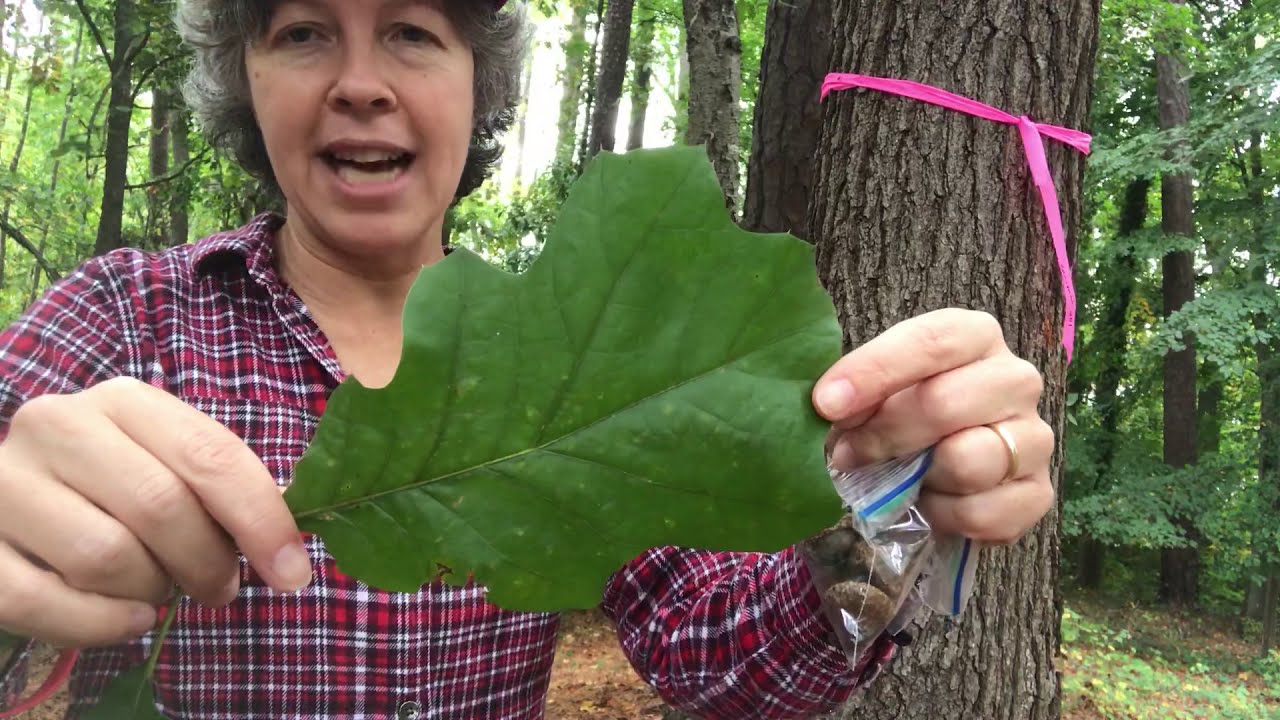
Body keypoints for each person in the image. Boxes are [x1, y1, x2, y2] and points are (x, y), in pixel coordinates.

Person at [0, 1, 1056, 718]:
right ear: (245, 78)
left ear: (477, 86)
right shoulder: (122, 322)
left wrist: (896, 501)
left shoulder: (576, 363)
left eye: (413, 33)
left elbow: (726, 662)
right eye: (306, 31)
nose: (360, 82)